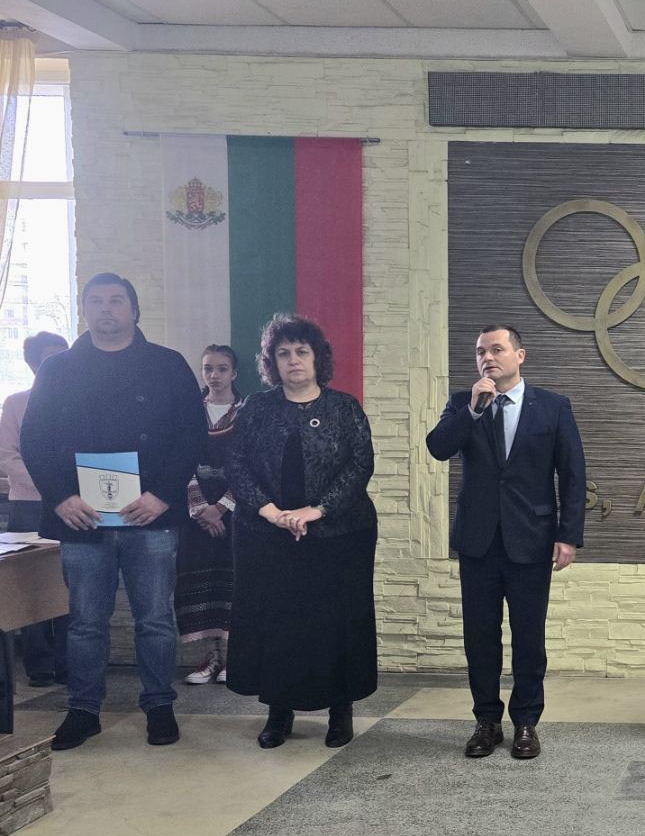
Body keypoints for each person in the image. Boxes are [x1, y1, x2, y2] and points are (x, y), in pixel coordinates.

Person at [19, 273, 206, 750]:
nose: (107, 308)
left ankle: (159, 706)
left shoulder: (166, 364)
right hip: (82, 517)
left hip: (150, 516)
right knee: (84, 622)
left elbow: (191, 435)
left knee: (155, 619)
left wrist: (162, 495)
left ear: (134, 310)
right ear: (85, 310)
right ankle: (83, 711)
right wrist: (60, 497)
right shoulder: (58, 368)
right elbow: (34, 439)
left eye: (117, 300)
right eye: (97, 301)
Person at [425, 324, 584, 760]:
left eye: (496, 349)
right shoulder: (464, 403)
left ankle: (526, 722)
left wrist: (568, 535)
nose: (488, 358)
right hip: (478, 540)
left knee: (529, 637)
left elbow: (572, 474)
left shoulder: (552, 406)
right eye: (480, 351)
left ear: (520, 355)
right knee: (480, 636)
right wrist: (472, 411)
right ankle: (487, 721)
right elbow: (438, 447)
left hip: (531, 539)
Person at [225, 314, 377, 750]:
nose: (293, 360)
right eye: (283, 353)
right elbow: (236, 464)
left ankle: (340, 709)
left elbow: (360, 465)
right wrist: (272, 512)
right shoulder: (256, 408)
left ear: (317, 358)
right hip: (268, 534)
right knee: (279, 623)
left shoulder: (344, 407)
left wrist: (317, 510)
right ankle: (280, 710)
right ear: (272, 362)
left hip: (339, 535)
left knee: (336, 622)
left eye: (301, 351)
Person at [1, 332, 70, 687]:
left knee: (70, 583)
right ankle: (39, 666)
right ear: (32, 364)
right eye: (48, 358)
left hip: (72, 505)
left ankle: (69, 663)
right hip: (28, 503)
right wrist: (48, 484)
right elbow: (8, 454)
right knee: (32, 586)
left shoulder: (77, 401)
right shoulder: (16, 403)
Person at [179, 345, 243, 685]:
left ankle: (236, 658)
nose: (214, 375)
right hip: (196, 518)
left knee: (235, 583)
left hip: (237, 516)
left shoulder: (248, 413)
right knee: (200, 585)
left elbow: (252, 466)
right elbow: (179, 461)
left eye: (222, 368)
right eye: (208, 368)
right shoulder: (190, 413)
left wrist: (222, 507)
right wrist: (202, 508)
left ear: (234, 372)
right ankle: (210, 657)